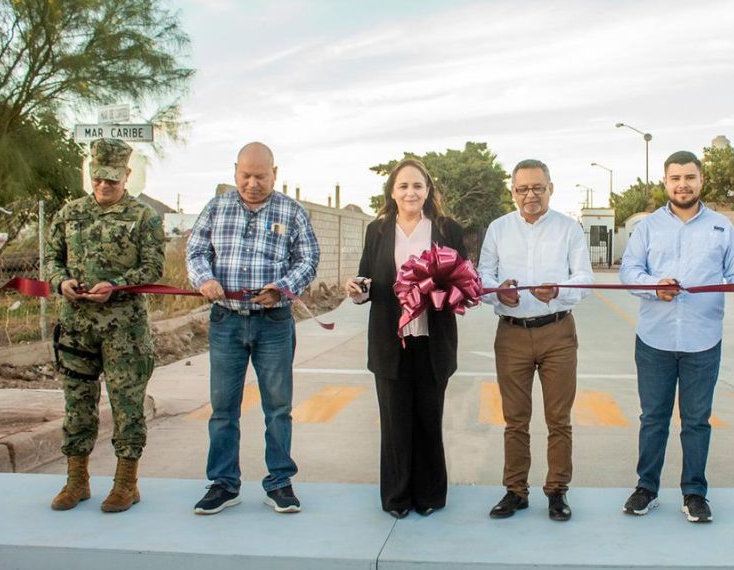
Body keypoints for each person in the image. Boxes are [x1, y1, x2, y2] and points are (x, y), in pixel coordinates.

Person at [618, 150, 734, 523]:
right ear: (665, 182)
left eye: (689, 177)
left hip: (703, 340)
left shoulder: (722, 227)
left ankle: (695, 493)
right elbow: (629, 272)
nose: (682, 184)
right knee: (653, 417)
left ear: (701, 181)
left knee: (697, 420)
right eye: (675, 178)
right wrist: (655, 286)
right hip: (655, 340)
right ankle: (646, 487)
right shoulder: (648, 227)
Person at [186, 142, 319, 515]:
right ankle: (223, 483)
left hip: (273, 323)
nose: (253, 183)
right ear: (235, 172)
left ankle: (279, 482)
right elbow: (196, 251)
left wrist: (283, 288)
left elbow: (308, 258)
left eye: (261, 176)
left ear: (275, 173)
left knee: (278, 407)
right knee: (223, 407)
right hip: (226, 321)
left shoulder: (291, 212)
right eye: (246, 175)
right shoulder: (216, 208)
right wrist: (204, 278)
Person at [44, 138, 164, 513]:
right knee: (77, 405)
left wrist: (116, 286)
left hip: (124, 332)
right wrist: (59, 281)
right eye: (98, 178)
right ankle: (76, 480)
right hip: (76, 328)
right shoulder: (69, 214)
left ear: (126, 176)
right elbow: (51, 258)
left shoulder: (145, 218)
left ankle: (126, 483)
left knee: (127, 405)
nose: (104, 186)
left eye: (112, 179)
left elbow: (153, 269)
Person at [344, 158, 467, 519]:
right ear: (392, 192)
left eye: (418, 185)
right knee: (395, 424)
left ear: (428, 190)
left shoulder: (447, 229)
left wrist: (443, 290)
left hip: (433, 339)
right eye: (403, 186)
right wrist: (358, 290)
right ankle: (397, 498)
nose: (410, 192)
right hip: (390, 342)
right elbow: (367, 279)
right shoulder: (378, 230)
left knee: (429, 421)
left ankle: (428, 495)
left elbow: (463, 279)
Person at [478, 159, 593, 522]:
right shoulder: (497, 229)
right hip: (511, 333)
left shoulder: (569, 229)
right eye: (523, 188)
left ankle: (557, 491)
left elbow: (585, 278)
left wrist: (560, 291)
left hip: (557, 331)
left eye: (538, 188)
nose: (531, 195)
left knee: (559, 418)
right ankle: (515, 490)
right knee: (515, 419)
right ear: (512, 191)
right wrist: (499, 294)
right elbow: (483, 276)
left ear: (550, 189)